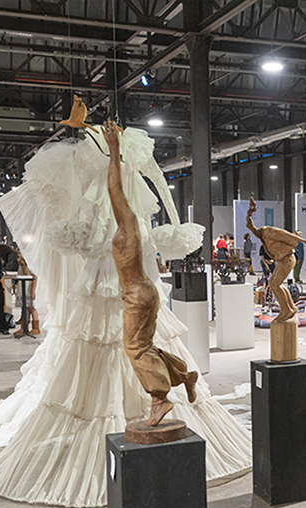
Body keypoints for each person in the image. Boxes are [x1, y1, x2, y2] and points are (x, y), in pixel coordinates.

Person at [102, 120, 198, 427]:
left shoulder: (127, 224)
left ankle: (159, 398)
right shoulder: (132, 228)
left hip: (137, 294)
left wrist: (114, 150)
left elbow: (114, 189)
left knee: (135, 347)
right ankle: (183, 374)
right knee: (146, 344)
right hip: (143, 292)